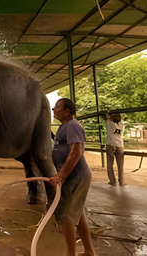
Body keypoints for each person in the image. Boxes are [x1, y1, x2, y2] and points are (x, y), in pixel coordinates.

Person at [49, 98, 96, 256]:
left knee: (66, 217)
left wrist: (60, 176)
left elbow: (76, 152)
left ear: (67, 111)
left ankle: (71, 254)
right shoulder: (64, 127)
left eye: (57, 107)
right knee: (78, 215)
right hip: (70, 177)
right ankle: (89, 251)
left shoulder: (73, 126)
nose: (53, 109)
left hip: (77, 177)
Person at [104, 113, 125, 186]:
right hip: (120, 145)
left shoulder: (110, 124)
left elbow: (107, 117)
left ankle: (112, 181)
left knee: (110, 164)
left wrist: (109, 115)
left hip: (111, 144)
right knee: (120, 165)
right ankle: (121, 181)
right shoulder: (122, 126)